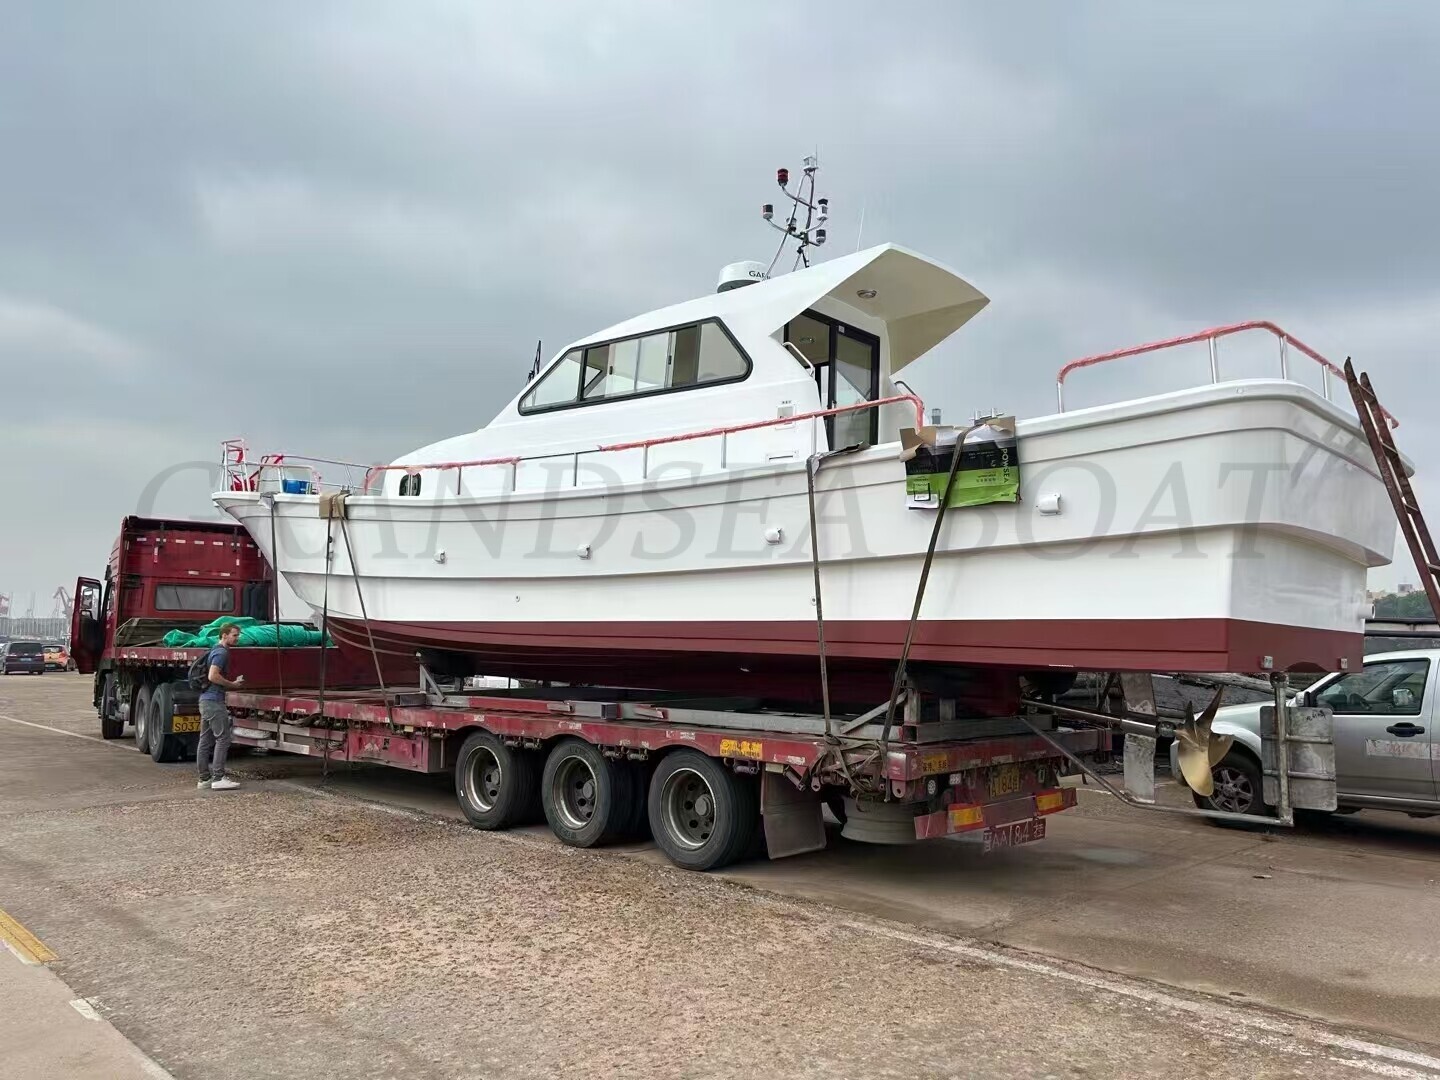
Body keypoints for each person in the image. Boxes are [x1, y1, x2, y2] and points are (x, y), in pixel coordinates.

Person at [198, 622, 245, 790]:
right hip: (214, 701)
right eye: (234, 635)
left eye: (238, 635)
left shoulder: (213, 649)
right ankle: (218, 778)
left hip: (205, 700)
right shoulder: (221, 653)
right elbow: (212, 676)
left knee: (205, 740)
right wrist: (232, 684)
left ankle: (204, 779)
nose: (237, 638)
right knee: (223, 738)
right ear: (224, 635)